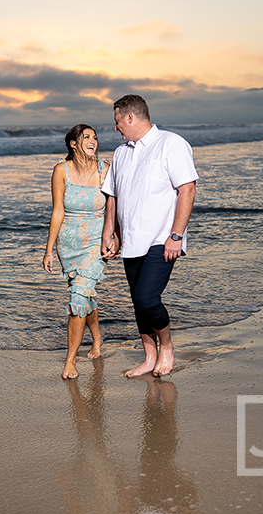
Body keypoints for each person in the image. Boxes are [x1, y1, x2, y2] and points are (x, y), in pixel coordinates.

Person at [100, 94, 198, 377]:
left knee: (146, 298)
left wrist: (176, 236)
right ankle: (149, 357)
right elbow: (113, 196)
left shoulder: (171, 143)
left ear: (130, 117)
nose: (116, 127)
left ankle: (166, 346)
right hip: (131, 240)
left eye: (117, 121)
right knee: (137, 303)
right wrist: (111, 232)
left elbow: (187, 189)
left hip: (161, 238)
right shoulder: (121, 153)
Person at [43, 124, 115, 379]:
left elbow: (113, 208)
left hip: (96, 242)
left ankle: (70, 360)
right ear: (73, 143)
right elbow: (58, 212)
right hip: (69, 243)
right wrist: (49, 249)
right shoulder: (61, 170)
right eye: (86, 137)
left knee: (78, 299)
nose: (93, 141)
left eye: (95, 137)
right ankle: (97, 338)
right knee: (83, 294)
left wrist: (115, 236)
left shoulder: (105, 169)